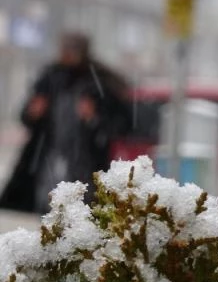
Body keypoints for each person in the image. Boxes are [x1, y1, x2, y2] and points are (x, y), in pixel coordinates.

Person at [0, 32, 131, 214]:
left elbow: (120, 126)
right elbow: (27, 117)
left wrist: (94, 118)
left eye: (72, 49)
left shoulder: (100, 83)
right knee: (46, 206)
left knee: (82, 207)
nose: (67, 54)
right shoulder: (51, 79)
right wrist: (33, 113)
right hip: (47, 157)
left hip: (86, 161)